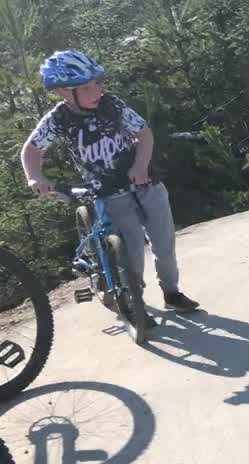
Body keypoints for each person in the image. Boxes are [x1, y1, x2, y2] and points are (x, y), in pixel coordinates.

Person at [19, 49, 200, 321]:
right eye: (87, 87)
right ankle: (133, 300)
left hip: (145, 182)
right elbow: (31, 150)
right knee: (133, 251)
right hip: (108, 193)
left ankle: (172, 293)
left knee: (164, 244)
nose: (97, 91)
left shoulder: (112, 105)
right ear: (64, 93)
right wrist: (35, 176)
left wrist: (140, 165)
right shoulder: (57, 120)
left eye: (98, 83)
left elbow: (143, 133)